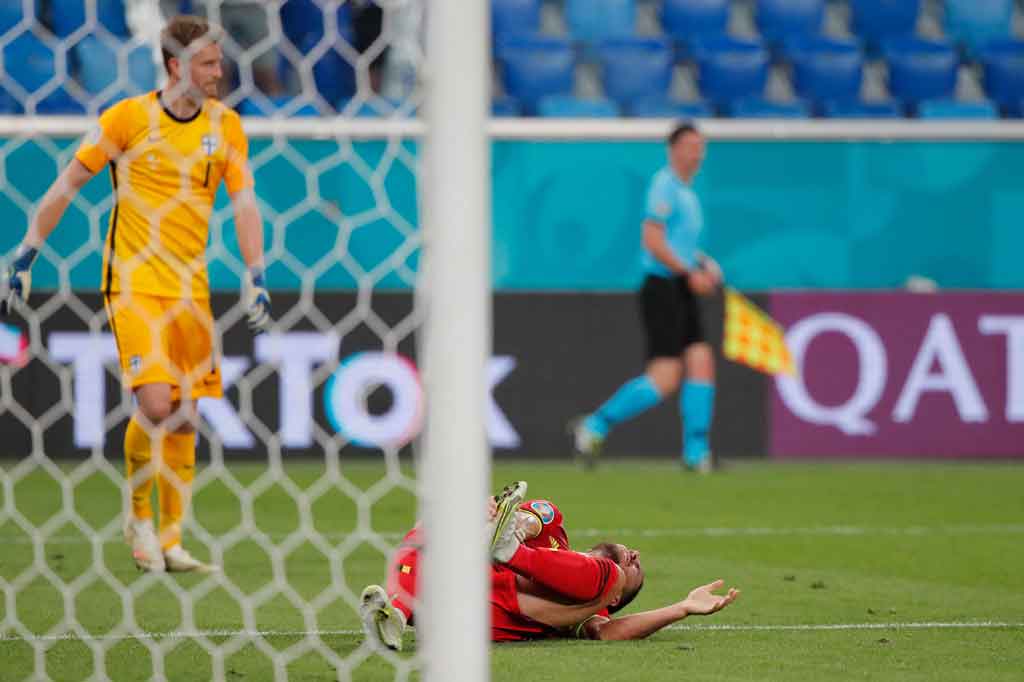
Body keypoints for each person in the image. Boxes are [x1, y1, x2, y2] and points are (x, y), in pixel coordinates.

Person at [2, 14, 272, 573]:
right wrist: (27, 253)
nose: (220, 71)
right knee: (155, 403)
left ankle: (171, 541)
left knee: (186, 419)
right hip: (133, 282)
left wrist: (255, 273)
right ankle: (139, 519)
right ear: (176, 66)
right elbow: (68, 184)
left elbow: (244, 203)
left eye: (219, 61)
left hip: (191, 289)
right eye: (208, 63)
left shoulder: (226, 126)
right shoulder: (128, 119)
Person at [359, 481, 739, 649]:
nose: (636, 557)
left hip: (491, 615)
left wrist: (682, 608)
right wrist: (496, 519)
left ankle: (508, 549)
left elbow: (609, 634)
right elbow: (534, 515)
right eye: (633, 558)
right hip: (453, 588)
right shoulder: (554, 530)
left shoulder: (596, 605)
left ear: (618, 599)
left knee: (609, 576)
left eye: (636, 575)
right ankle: (396, 614)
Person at [572, 121, 723, 473]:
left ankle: (696, 454)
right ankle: (595, 424)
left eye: (701, 146)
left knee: (701, 361)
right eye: (689, 146)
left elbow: (680, 244)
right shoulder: (664, 185)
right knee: (665, 377)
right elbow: (652, 241)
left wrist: (703, 263)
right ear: (673, 150)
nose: (696, 153)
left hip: (681, 285)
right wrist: (690, 273)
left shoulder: (689, 193)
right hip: (662, 287)